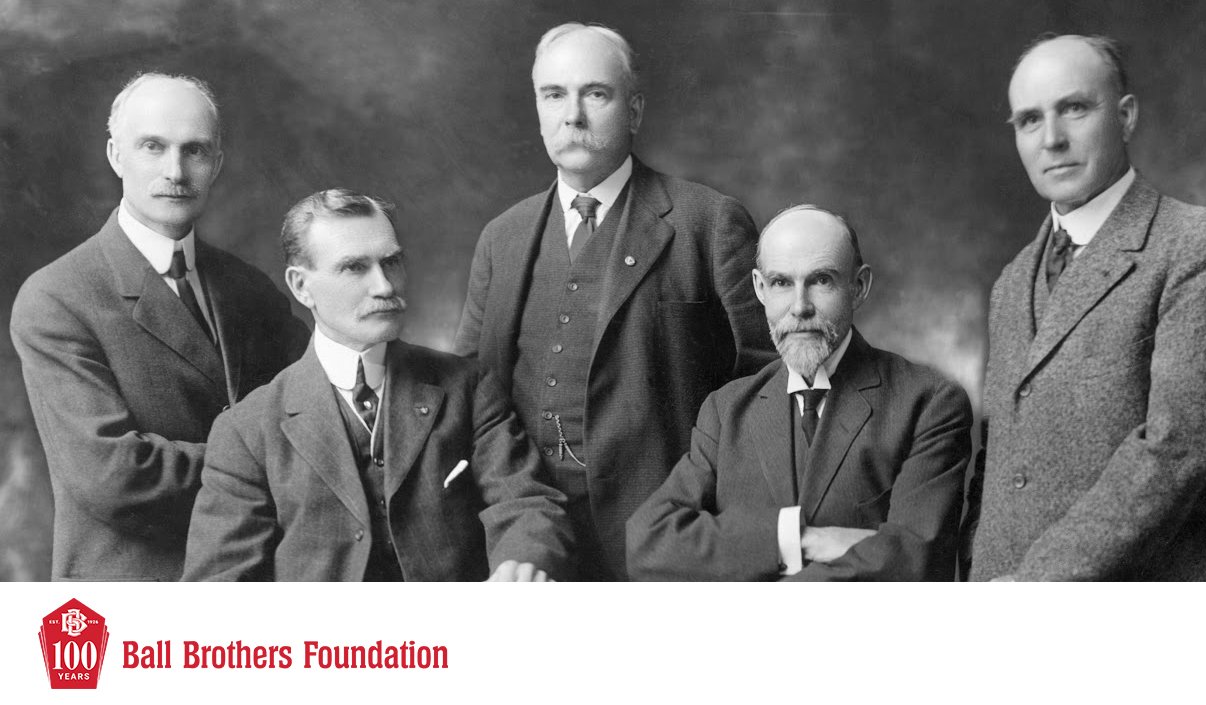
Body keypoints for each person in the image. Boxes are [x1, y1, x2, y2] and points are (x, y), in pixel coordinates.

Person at [454, 22, 774, 580]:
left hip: (668, 536)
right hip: (529, 547)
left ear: (635, 111)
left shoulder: (708, 222)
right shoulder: (502, 238)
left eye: (595, 94)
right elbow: (471, 394)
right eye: (554, 95)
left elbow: (765, 391)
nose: (572, 115)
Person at [967, 34, 1206, 580]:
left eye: (1074, 108)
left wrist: (1032, 586)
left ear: (1125, 117)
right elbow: (998, 466)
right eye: (1029, 120)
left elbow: (1182, 447)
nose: (1052, 139)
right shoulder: (1010, 284)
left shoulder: (1195, 243)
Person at [182, 189, 573, 581]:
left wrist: (520, 563)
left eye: (391, 262)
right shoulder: (246, 431)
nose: (385, 286)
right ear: (301, 286)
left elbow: (525, 502)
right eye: (354, 268)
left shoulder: (468, 388)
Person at [10, 72, 307, 581]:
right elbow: (115, 477)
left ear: (216, 164)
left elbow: (321, 410)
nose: (175, 171)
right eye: (153, 146)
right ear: (115, 156)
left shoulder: (250, 289)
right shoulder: (56, 298)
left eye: (195, 150)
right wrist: (271, 465)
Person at [627, 206, 972, 580]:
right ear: (760, 289)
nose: (800, 307)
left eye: (821, 280)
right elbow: (650, 541)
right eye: (781, 283)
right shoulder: (725, 411)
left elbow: (918, 562)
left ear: (859, 287)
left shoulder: (929, 402)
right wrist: (798, 539)